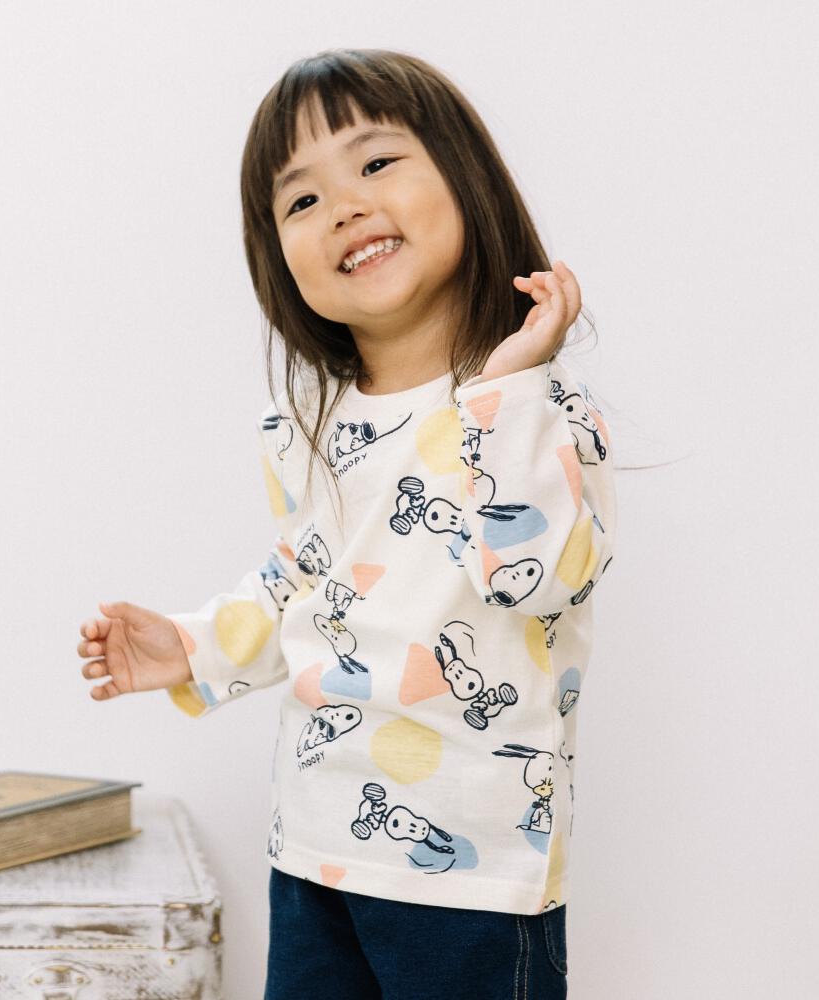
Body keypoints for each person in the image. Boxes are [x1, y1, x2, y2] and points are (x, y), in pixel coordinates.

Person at [76, 48, 618, 1000]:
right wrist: (191, 648)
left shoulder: (535, 407)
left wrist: (507, 390)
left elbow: (539, 576)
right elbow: (306, 585)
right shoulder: (307, 425)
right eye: (302, 199)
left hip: (474, 876)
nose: (344, 207)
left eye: (375, 163)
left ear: (466, 177)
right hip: (318, 847)